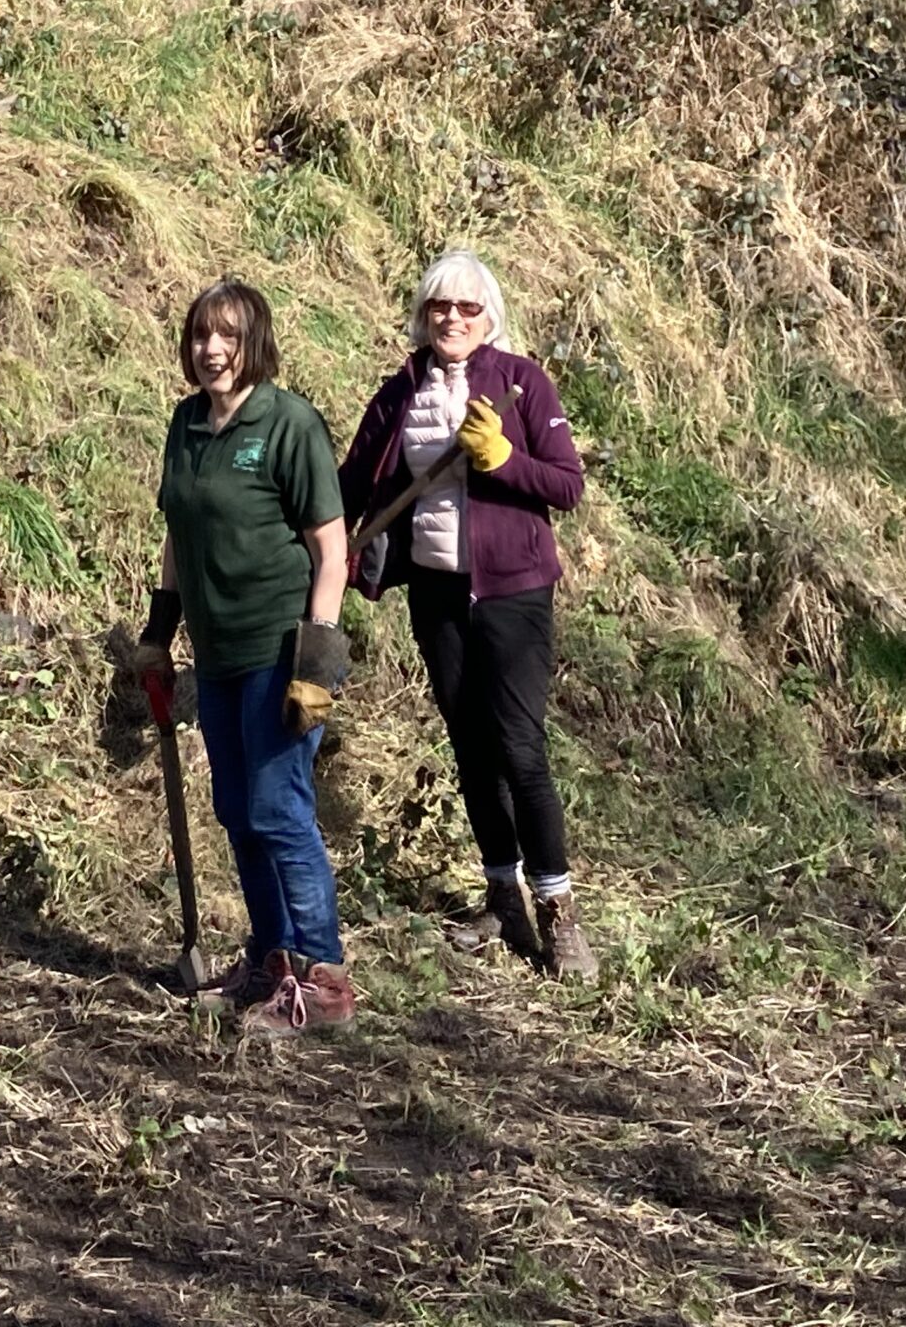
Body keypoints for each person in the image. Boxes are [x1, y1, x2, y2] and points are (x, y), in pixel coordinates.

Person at [339, 250, 598, 981]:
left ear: (490, 318)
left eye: (466, 308)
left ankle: (558, 912)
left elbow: (567, 485)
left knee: (520, 747)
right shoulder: (402, 392)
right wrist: (305, 534)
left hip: (513, 592)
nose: (451, 319)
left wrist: (504, 459)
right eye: (438, 308)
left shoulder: (521, 382)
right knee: (469, 745)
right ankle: (501, 897)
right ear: (422, 318)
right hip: (438, 594)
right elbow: (355, 480)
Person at [131, 280, 355, 1035]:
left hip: (277, 647)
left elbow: (332, 551)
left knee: (277, 808)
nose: (212, 350)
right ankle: (271, 962)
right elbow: (177, 536)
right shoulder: (186, 422)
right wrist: (160, 633)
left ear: (253, 341)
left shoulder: (288, 424)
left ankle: (323, 981)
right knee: (237, 809)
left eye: (227, 336)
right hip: (217, 652)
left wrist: (317, 663)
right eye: (200, 336)